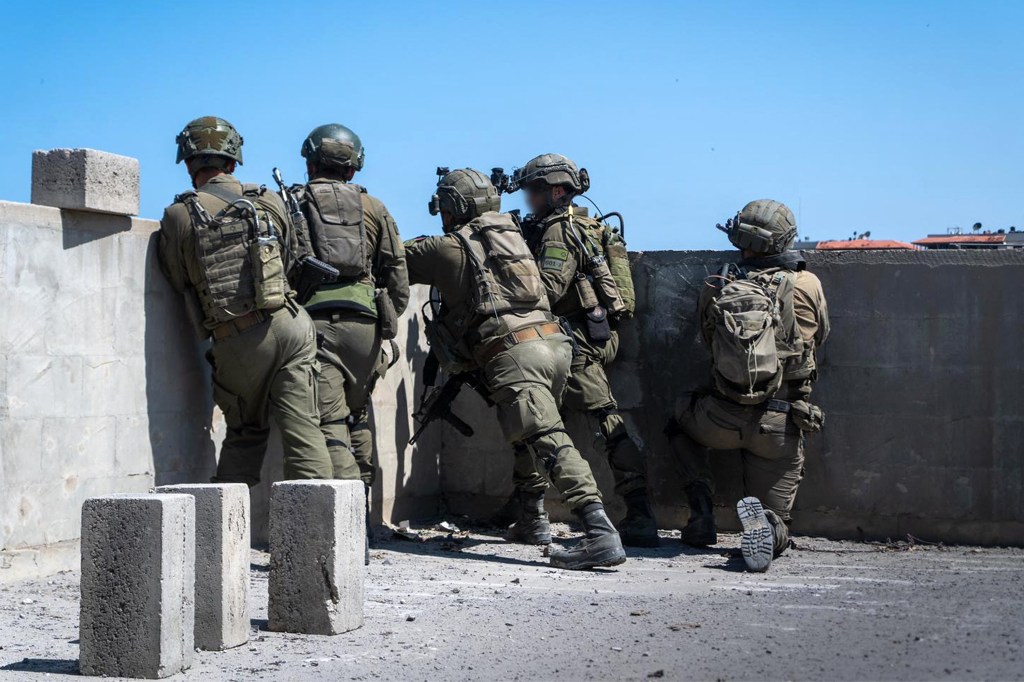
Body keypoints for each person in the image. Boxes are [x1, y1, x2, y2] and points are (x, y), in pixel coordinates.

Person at [405, 167, 626, 570]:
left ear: (453, 208)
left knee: (545, 436)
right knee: (525, 431)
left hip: (514, 352)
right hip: (554, 345)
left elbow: (388, 257)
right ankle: (531, 517)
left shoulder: (445, 247)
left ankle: (599, 532)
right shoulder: (514, 235)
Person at [158, 116, 332, 485]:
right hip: (291, 323)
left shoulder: (178, 215)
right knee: (304, 433)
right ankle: (318, 536)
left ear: (189, 164)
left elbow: (177, 277)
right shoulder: (268, 200)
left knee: (245, 433)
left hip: (238, 340)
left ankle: (222, 537)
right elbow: (289, 259)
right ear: (233, 162)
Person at [666, 199, 830, 572]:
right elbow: (820, 337)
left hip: (718, 418)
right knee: (778, 522)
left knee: (678, 420)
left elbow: (707, 341)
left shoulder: (720, 282)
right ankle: (770, 530)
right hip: (779, 425)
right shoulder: (807, 284)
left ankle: (702, 513)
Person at [503, 153, 658, 548]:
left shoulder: (558, 230)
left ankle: (638, 513)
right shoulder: (575, 223)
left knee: (595, 421)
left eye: (535, 191)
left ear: (556, 191)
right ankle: (530, 513)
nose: (529, 200)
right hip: (577, 337)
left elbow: (550, 290)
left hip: (578, 342)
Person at [287, 123, 409, 490]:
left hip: (315, 325)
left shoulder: (292, 202)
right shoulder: (374, 206)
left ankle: (349, 522)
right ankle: (364, 512)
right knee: (357, 416)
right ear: (353, 168)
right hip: (366, 327)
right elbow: (397, 273)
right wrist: (386, 316)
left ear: (309, 164)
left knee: (329, 422)